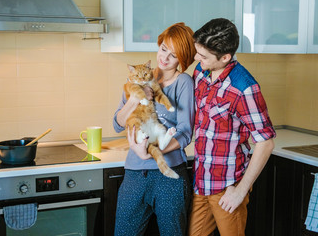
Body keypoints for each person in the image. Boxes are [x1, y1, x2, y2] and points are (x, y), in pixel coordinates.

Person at [188, 18, 276, 236]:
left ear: (225, 57)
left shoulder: (244, 88)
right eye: (198, 52)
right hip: (201, 182)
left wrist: (239, 191)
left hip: (228, 186)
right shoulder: (201, 72)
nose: (196, 58)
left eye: (203, 55)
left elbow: (266, 143)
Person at [112, 22, 196, 236]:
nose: (165, 58)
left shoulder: (183, 82)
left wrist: (150, 151)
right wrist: (135, 99)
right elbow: (117, 123)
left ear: (182, 60)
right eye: (163, 49)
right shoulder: (137, 78)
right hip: (134, 174)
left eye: (173, 55)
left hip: (169, 177)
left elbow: (186, 132)